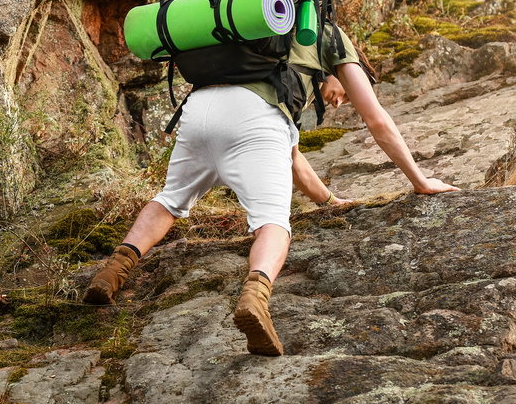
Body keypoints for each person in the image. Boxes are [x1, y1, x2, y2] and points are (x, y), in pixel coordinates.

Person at [83, 25, 458, 356]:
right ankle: (255, 300)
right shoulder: (328, 33)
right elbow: (376, 119)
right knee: (273, 222)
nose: (340, 100)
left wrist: (328, 201)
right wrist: (420, 181)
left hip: (199, 109)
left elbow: (291, 158)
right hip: (255, 117)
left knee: (170, 198)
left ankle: (111, 274)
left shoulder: (263, 26)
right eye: (343, 89)